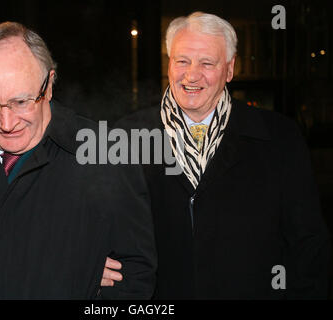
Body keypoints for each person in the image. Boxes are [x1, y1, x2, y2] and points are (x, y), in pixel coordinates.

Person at [102, 12, 331, 299]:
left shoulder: (279, 137)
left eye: (207, 63)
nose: (191, 75)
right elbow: (97, 222)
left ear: (230, 69)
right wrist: (90, 261)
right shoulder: (126, 136)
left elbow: (308, 243)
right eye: (181, 61)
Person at [0, 22, 156, 299]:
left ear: (48, 86)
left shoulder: (107, 154)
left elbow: (135, 275)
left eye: (22, 101)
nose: (7, 123)